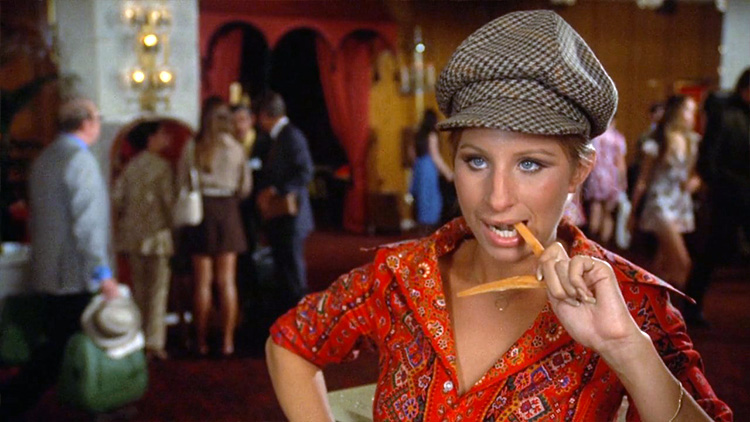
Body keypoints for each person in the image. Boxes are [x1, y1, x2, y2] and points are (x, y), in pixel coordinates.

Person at [265, 11, 731, 421]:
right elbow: (289, 343)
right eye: (476, 161)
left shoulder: (632, 306)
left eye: (530, 164)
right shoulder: (400, 277)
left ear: (579, 172)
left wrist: (625, 348)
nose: (497, 198)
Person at [0, 98, 121, 419]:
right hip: (72, 271)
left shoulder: (45, 157)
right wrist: (102, 273)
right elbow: (88, 225)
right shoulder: (80, 160)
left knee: (56, 342)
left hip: (47, 267)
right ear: (87, 123)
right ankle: (13, 402)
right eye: (97, 118)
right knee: (63, 346)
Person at [178, 96, 252, 357]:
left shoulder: (193, 146)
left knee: (202, 283)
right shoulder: (236, 147)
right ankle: (227, 342)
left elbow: (182, 182)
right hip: (228, 212)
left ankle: (201, 341)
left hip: (202, 213)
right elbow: (245, 187)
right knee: (227, 282)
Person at [685, 68, 750, 326]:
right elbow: (708, 162)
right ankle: (692, 307)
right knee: (710, 253)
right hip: (728, 197)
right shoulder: (724, 114)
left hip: (739, 194)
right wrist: (731, 187)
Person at [112, 120, 174, 360]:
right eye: (162, 134)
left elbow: (117, 199)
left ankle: (137, 337)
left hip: (132, 236)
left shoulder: (131, 166)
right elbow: (169, 203)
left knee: (138, 290)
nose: (166, 138)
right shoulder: (163, 167)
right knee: (158, 291)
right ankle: (154, 341)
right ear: (151, 138)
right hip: (158, 236)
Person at [629, 95, 701, 290]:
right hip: (660, 203)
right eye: (688, 110)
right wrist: (633, 211)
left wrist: (695, 182)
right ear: (676, 111)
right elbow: (643, 179)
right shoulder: (659, 141)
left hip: (680, 203)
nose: (692, 116)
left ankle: (653, 301)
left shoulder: (693, 140)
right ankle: (679, 305)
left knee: (663, 264)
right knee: (682, 263)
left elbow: (696, 174)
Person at [255, 91, 314, 314]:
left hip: (292, 215)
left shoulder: (291, 136)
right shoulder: (277, 137)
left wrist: (276, 189)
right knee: (283, 267)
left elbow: (305, 172)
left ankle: (300, 317)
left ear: (264, 115)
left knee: (293, 270)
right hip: (280, 216)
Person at [583, 117, 627, 245]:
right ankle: (603, 245)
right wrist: (623, 182)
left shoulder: (596, 137)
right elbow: (620, 163)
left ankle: (592, 241)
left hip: (596, 176)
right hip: (612, 178)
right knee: (608, 213)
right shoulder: (618, 138)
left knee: (595, 207)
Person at [410, 108, 454, 233]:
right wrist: (448, 173)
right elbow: (435, 157)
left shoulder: (418, 134)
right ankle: (430, 231)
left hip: (418, 169)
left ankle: (422, 230)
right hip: (428, 169)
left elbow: (411, 154)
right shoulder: (432, 135)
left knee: (421, 200)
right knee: (432, 200)